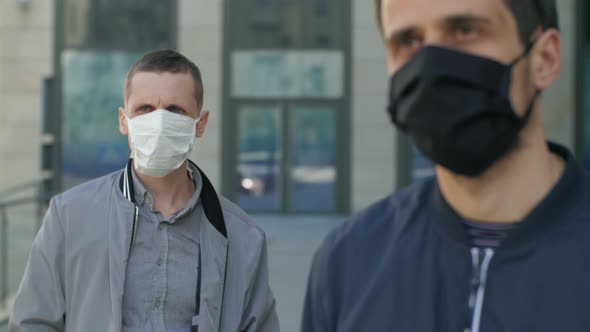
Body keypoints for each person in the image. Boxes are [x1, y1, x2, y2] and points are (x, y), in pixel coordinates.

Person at [303, 0, 590, 331]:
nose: (432, 64)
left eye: (465, 31)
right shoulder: (349, 260)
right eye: (408, 42)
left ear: (545, 58)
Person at [10, 50, 279, 332]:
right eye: (145, 109)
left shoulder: (243, 238)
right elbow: (33, 323)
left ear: (200, 124)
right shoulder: (69, 217)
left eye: (175, 110)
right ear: (123, 120)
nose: (159, 123)